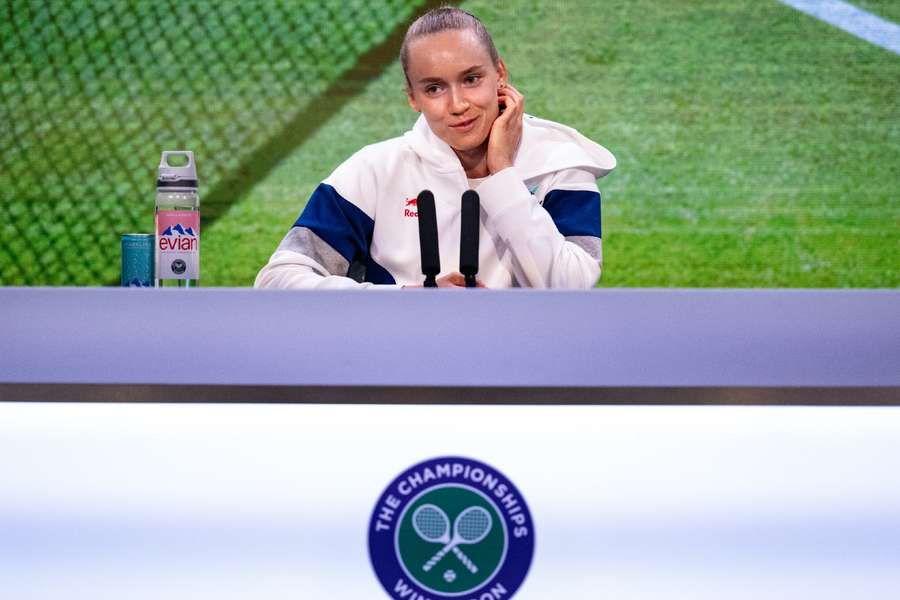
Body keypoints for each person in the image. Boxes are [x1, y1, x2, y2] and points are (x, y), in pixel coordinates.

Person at [254, 7, 615, 289]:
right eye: (434, 88)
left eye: (471, 79)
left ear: (500, 74)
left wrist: (502, 174)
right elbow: (278, 279)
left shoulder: (559, 164)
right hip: (401, 370)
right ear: (413, 98)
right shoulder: (376, 169)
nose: (458, 104)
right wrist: (406, 299)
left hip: (522, 372)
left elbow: (571, 290)